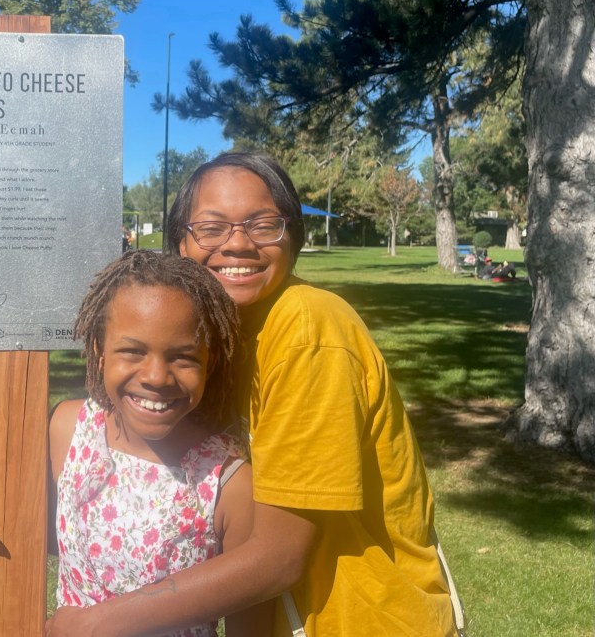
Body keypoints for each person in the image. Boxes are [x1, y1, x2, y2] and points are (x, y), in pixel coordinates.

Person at [45, 152, 459, 637]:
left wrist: (99, 622)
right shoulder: (222, 334)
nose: (238, 244)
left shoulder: (307, 329)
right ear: (181, 242)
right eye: (212, 228)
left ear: (292, 236)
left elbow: (279, 557)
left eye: (264, 225)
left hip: (359, 618)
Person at [0, 250, 275, 636]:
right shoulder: (69, 429)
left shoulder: (228, 486)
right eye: (132, 351)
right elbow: (34, 518)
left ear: (210, 363)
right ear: (98, 352)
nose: (157, 377)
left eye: (183, 357)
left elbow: (253, 624)